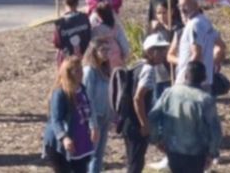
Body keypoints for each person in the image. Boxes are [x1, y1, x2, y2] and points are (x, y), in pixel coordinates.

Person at [149, 60, 221, 172]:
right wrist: (212, 153)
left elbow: (153, 116)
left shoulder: (169, 93)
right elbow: (215, 130)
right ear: (204, 78)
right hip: (197, 152)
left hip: (173, 148)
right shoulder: (205, 100)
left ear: (185, 75)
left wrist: (156, 139)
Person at [125, 33, 172, 173]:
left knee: (133, 161)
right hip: (136, 123)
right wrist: (144, 124)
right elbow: (138, 98)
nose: (164, 53)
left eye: (164, 49)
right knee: (136, 164)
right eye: (160, 50)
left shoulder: (137, 65)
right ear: (150, 52)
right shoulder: (148, 70)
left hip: (129, 121)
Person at [43, 55, 97, 172]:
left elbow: (88, 110)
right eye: (76, 71)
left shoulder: (82, 89)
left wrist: (93, 126)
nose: (81, 73)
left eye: (81, 69)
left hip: (81, 141)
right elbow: (56, 119)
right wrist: (64, 138)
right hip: (61, 144)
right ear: (68, 73)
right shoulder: (60, 93)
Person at [172, 0, 225, 91]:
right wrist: (211, 66)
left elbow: (196, 54)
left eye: (185, 5)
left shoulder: (194, 25)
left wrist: (185, 78)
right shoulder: (205, 22)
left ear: (196, 5)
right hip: (206, 80)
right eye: (180, 6)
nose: (182, 9)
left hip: (190, 83)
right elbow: (221, 46)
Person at [83, 38, 116, 172]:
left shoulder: (105, 70)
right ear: (94, 51)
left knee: (99, 156)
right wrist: (93, 125)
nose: (106, 52)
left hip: (105, 117)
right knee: (91, 155)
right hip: (94, 118)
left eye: (108, 49)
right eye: (103, 50)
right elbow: (87, 99)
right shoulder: (89, 71)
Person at [55, 0, 93, 64]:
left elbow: (57, 43)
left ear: (64, 3)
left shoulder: (60, 23)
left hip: (68, 60)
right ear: (77, 3)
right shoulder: (84, 18)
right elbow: (89, 36)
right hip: (85, 57)